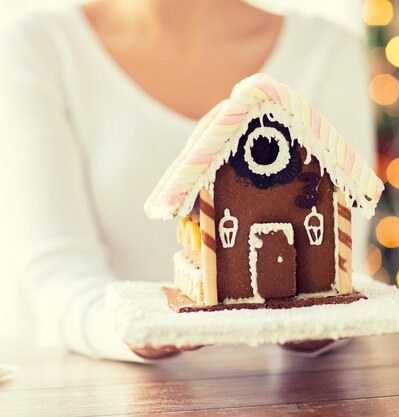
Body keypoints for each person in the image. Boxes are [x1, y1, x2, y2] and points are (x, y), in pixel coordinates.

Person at [0, 0, 374, 361]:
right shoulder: (39, 45)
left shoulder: (326, 48)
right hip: (107, 392)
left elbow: (338, 262)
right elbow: (58, 278)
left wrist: (319, 319)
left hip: (298, 390)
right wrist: (149, 328)